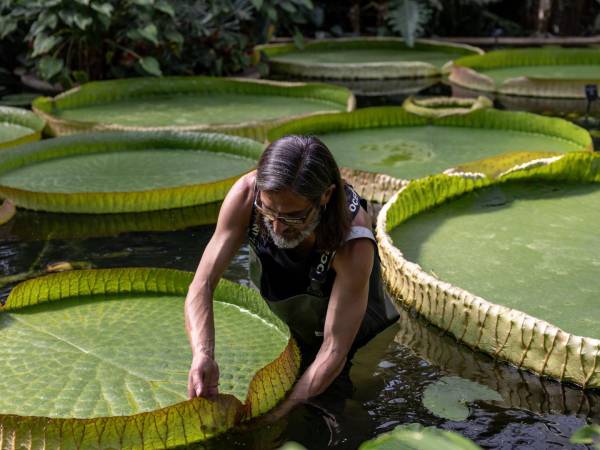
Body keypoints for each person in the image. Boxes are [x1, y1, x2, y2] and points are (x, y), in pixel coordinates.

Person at [184, 135, 398, 411]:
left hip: (359, 330)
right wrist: (203, 354)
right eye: (268, 211)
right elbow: (201, 285)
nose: (277, 227)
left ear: (326, 196)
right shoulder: (248, 195)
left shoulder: (354, 242)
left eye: (293, 216)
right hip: (292, 316)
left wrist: (280, 413)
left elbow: (334, 350)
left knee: (342, 406)